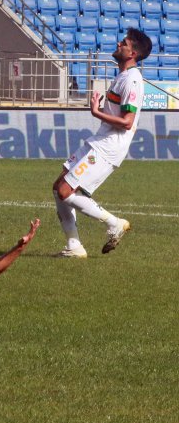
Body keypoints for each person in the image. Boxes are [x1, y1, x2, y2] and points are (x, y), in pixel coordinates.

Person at [52, 28, 153, 258]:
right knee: (58, 187)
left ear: (133, 53)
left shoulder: (133, 81)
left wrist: (96, 112)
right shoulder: (124, 76)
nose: (119, 44)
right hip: (99, 140)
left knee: (65, 190)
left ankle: (114, 223)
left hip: (108, 147)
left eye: (124, 43)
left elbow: (127, 122)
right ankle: (74, 246)